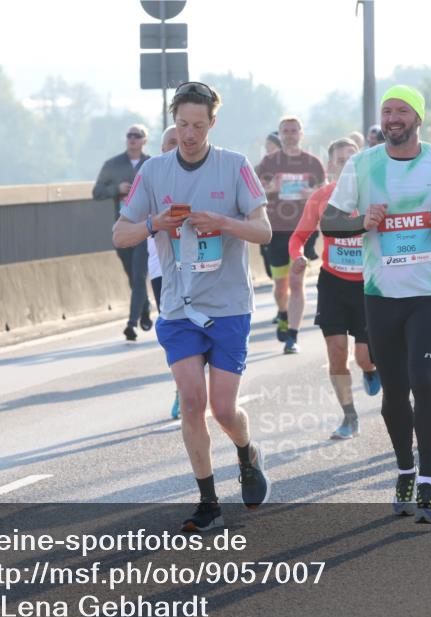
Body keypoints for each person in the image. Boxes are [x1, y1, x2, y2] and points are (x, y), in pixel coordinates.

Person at [321, 84, 431, 523]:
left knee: (424, 381)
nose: (392, 118)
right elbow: (330, 221)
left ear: (417, 118)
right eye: (387, 111)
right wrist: (362, 221)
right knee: (394, 390)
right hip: (380, 294)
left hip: (430, 291)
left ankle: (429, 481)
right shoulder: (362, 165)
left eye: (401, 111)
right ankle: (405, 470)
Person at [113, 82, 272, 532]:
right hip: (179, 307)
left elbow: (263, 232)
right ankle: (208, 501)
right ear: (173, 121)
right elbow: (119, 234)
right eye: (182, 124)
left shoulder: (235, 166)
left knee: (223, 409)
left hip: (228, 305)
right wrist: (153, 224)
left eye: (198, 126)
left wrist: (222, 222)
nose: (188, 134)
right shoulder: (155, 172)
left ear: (212, 124)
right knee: (190, 401)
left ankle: (246, 453)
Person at [289, 138, 381, 438]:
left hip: (368, 287)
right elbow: (298, 237)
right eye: (339, 160)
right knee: (337, 352)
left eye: (351, 159)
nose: (346, 165)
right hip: (333, 283)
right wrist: (298, 256)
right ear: (330, 166)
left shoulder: (372, 197)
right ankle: (349, 416)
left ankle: (369, 369)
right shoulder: (321, 198)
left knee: (365, 356)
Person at [255, 117, 326, 351]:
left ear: (301, 134)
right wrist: (270, 189)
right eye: (285, 131)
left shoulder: (313, 163)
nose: (289, 134)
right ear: (280, 134)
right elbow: (253, 192)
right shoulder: (268, 163)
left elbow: (325, 193)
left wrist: (312, 192)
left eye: (294, 130)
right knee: (280, 284)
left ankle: (292, 337)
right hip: (276, 229)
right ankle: (283, 313)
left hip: (303, 229)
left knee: (297, 282)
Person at [94, 125, 153, 341]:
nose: (133, 139)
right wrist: (116, 190)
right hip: (122, 228)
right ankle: (144, 308)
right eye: (129, 135)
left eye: (137, 136)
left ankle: (132, 323)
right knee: (132, 275)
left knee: (139, 275)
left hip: (146, 228)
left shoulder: (152, 164)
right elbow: (97, 192)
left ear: (144, 140)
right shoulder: (112, 165)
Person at [151, 125, 182, 420]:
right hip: (162, 270)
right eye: (169, 143)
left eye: (180, 141)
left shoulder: (208, 175)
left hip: (202, 268)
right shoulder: (150, 179)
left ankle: (192, 386)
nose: (176, 146)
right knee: (175, 336)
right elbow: (127, 226)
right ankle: (182, 387)